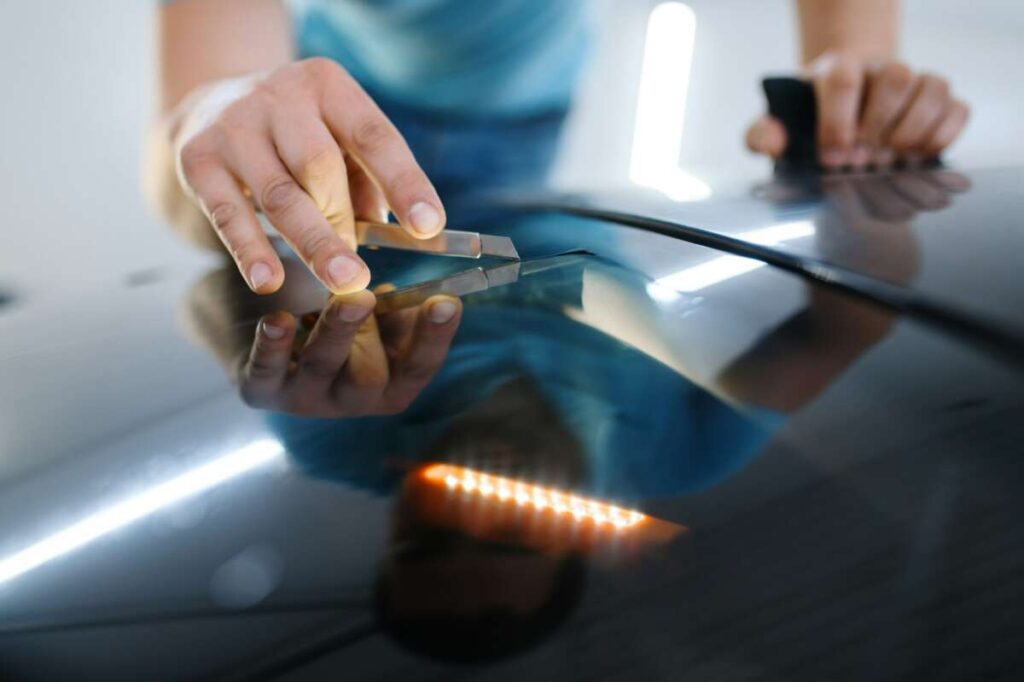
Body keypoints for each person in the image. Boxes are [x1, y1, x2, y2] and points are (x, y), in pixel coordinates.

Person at [146, 0, 969, 299]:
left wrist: (853, 89)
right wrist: (216, 116)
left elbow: (851, 81)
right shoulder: (663, 453)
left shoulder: (328, 436)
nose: (479, 510)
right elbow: (197, 145)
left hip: (524, 124)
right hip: (326, 109)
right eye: (510, 540)